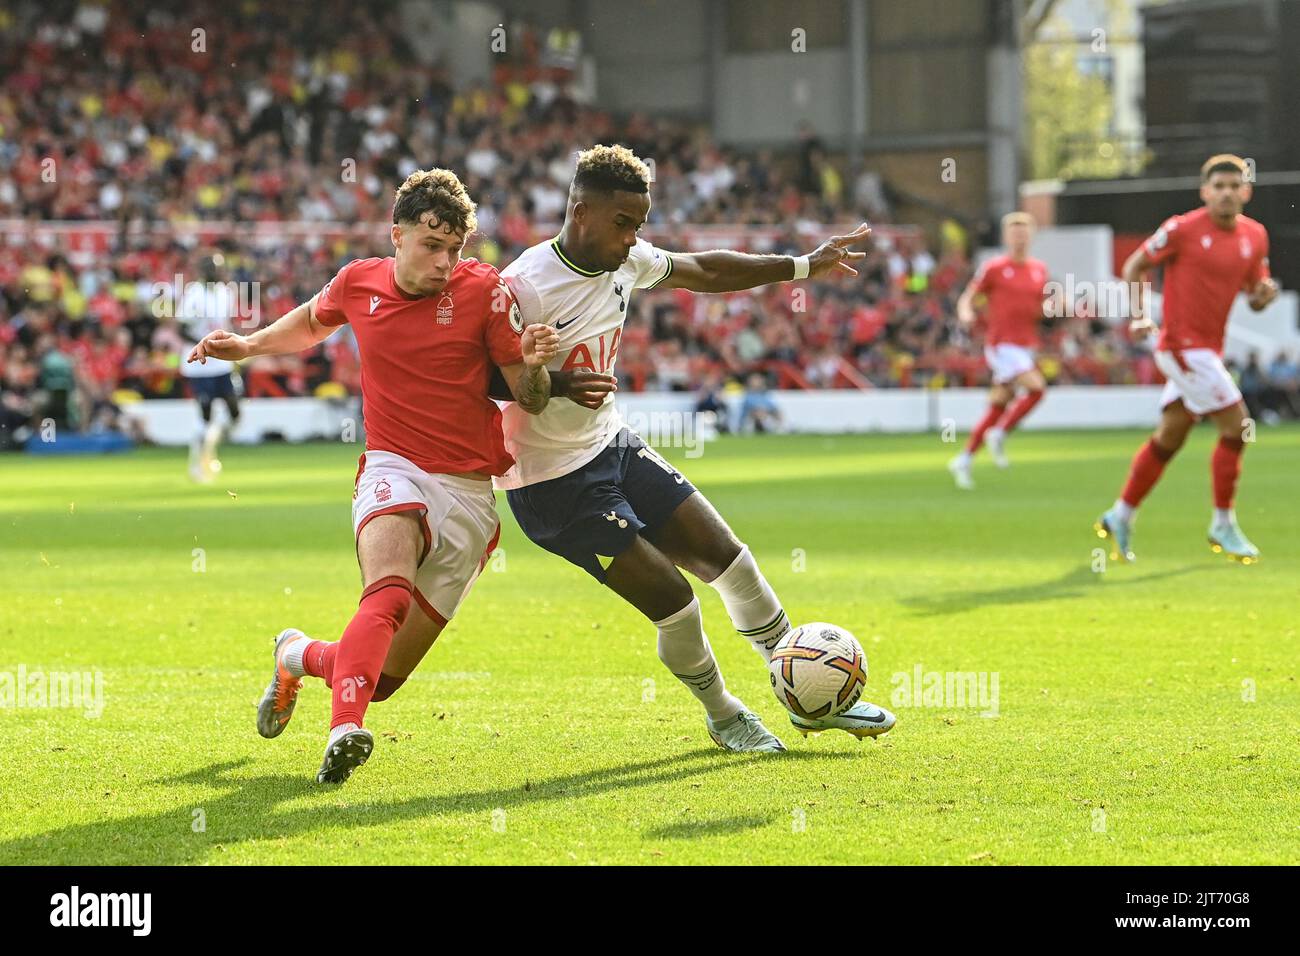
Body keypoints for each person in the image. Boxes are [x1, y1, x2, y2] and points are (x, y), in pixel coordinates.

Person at [494, 144, 895, 750]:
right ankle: (724, 713)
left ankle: (800, 691)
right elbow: (492, 382)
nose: (634, 238)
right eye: (624, 223)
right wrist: (561, 382)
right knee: (677, 600)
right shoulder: (523, 287)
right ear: (580, 211)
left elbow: (704, 271)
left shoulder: (623, 262)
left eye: (640, 224)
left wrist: (801, 266)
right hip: (551, 485)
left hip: (611, 447)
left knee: (730, 559)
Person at [188, 168, 560, 783]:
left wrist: (539, 367)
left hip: (469, 495)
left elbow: (531, 395)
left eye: (455, 250)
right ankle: (345, 729)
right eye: (431, 246)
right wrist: (250, 347)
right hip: (393, 468)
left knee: (380, 678)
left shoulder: (486, 292)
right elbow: (312, 321)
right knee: (385, 592)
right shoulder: (358, 282)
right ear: (398, 235)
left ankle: (296, 655)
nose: (445, 262)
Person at [1095, 155, 1277, 563]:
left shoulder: (1255, 236)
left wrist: (1263, 297)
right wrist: (1140, 314)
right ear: (1205, 192)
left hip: (1208, 351)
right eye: (1219, 186)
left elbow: (1254, 292)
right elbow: (1135, 265)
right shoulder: (1182, 228)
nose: (1227, 193)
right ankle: (1222, 523)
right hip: (1181, 347)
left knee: (1170, 437)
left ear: (1246, 192)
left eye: (1235, 186)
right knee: (1239, 426)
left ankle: (1120, 514)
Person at [948, 212, 1053, 489]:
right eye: (1014, 232)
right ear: (1006, 237)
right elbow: (969, 296)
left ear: (1031, 236)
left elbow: (1041, 306)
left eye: (1024, 232)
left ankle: (964, 458)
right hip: (1002, 344)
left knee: (998, 405)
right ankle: (1001, 433)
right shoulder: (994, 268)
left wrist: (1058, 305)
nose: (1019, 237)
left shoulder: (1039, 269)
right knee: (1037, 388)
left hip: (1025, 344)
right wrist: (966, 312)